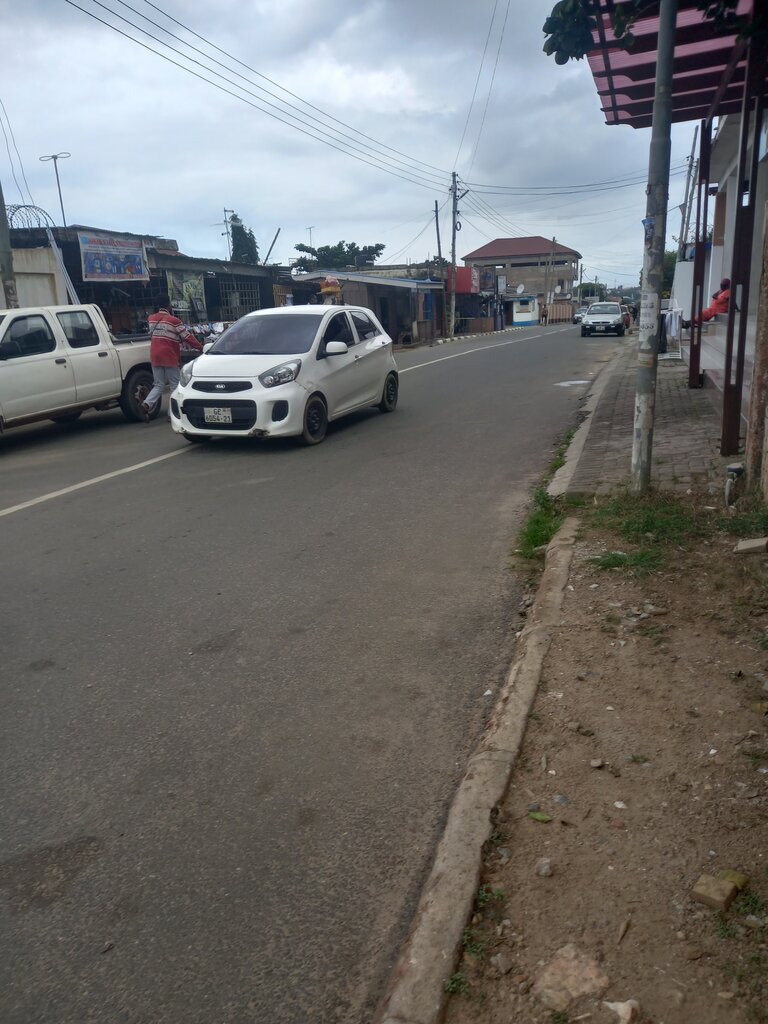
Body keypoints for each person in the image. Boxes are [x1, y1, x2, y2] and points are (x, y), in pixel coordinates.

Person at [141, 299, 203, 421]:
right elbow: (187, 337)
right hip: (169, 355)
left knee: (158, 384)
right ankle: (172, 414)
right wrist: (200, 347)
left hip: (154, 355)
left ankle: (147, 403)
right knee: (175, 386)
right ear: (169, 306)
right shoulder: (174, 321)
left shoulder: (151, 318)